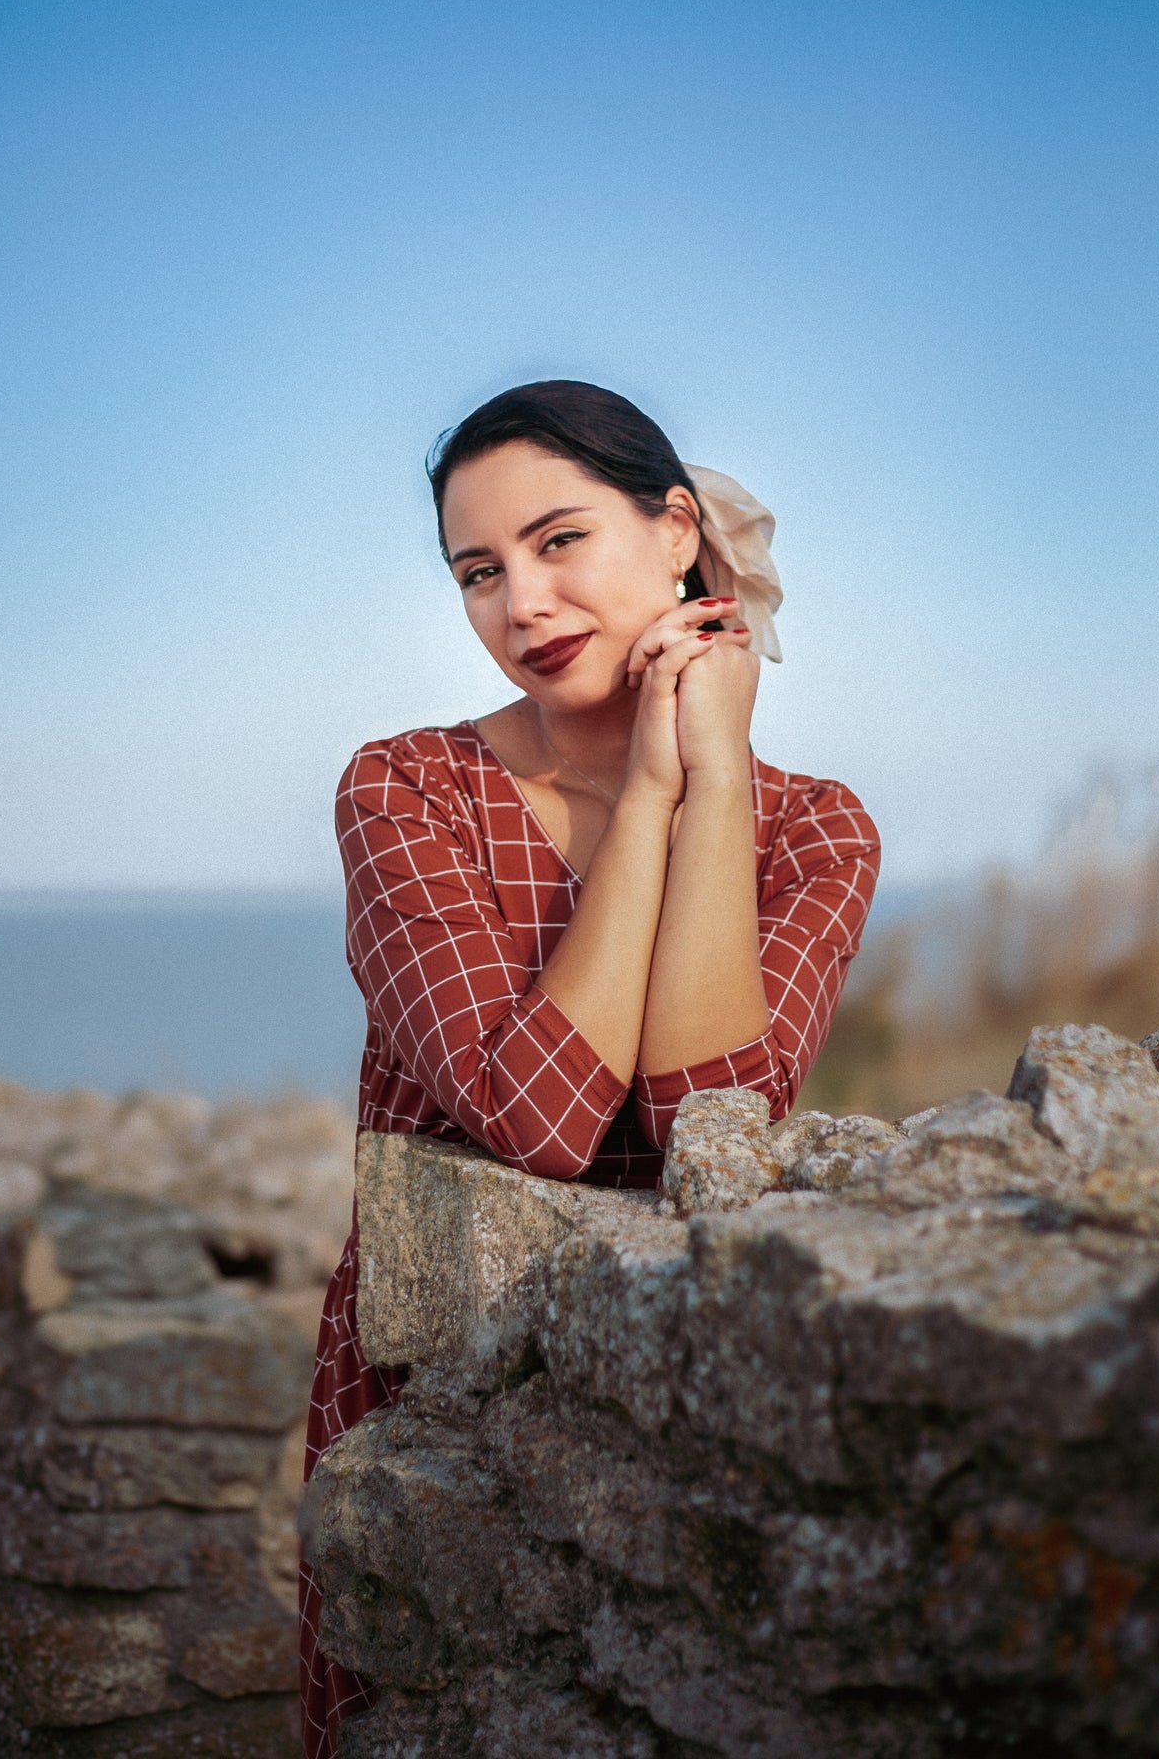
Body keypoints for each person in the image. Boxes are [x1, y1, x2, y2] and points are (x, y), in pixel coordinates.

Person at [299, 380, 880, 1756]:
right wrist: (656, 804)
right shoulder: (405, 791)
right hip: (423, 1400)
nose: (521, 604)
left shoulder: (814, 833)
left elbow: (703, 1128)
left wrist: (715, 776)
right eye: (478, 571)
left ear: (676, 533)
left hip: (671, 1410)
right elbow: (542, 1117)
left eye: (560, 542)